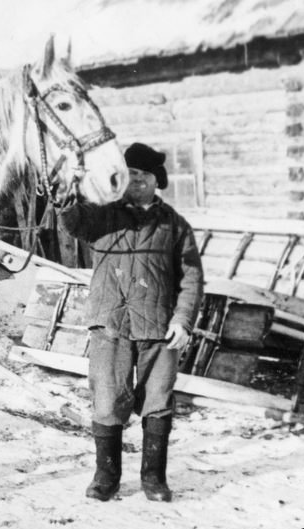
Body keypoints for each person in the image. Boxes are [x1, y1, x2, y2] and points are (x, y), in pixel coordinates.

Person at [59, 142, 203, 502]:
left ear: (158, 181)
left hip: (160, 326)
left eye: (144, 175)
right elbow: (72, 221)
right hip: (111, 323)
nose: (136, 180)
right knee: (107, 400)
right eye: (131, 174)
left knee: (158, 401)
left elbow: (191, 278)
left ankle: (153, 479)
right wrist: (68, 192)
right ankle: (106, 476)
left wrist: (183, 320)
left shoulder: (175, 225)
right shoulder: (103, 215)